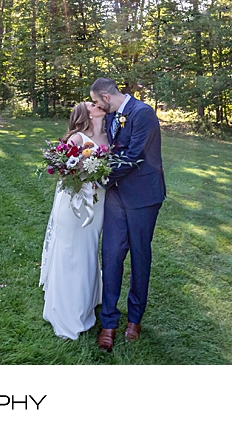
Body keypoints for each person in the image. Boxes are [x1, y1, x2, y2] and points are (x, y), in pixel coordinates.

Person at [89, 77, 165, 352]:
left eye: (97, 101)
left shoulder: (144, 114)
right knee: (111, 255)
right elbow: (110, 150)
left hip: (144, 197)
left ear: (106, 98)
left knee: (139, 257)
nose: (96, 106)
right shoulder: (112, 116)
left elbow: (134, 155)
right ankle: (108, 322)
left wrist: (102, 178)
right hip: (116, 196)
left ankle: (135, 318)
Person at [39, 101, 109, 339]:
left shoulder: (110, 137)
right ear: (86, 113)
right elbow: (65, 175)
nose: (98, 103)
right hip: (74, 206)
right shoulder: (77, 140)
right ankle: (69, 312)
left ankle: (89, 299)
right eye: (92, 102)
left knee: (89, 250)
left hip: (98, 205)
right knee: (72, 253)